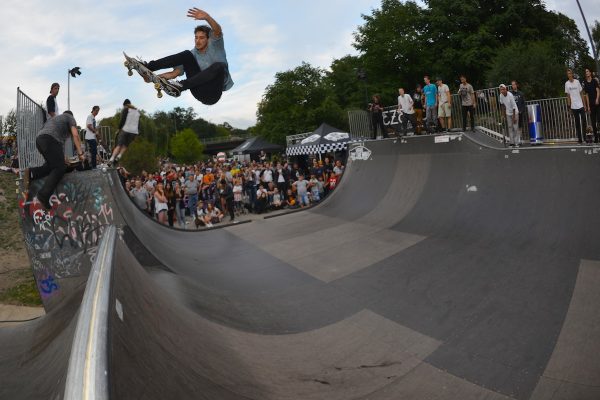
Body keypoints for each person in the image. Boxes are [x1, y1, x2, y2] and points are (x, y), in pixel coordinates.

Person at [143, 8, 234, 105]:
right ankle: (149, 66)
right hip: (198, 91)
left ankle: (181, 85)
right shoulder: (192, 54)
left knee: (219, 66)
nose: (197, 41)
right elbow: (174, 74)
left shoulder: (215, 46)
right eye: (196, 38)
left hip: (212, 94)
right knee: (187, 54)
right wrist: (153, 77)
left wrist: (207, 17)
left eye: (202, 38)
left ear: (208, 39)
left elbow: (217, 31)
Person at [24, 111, 85, 209]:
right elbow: (75, 135)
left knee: (51, 165)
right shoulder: (70, 118)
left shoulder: (55, 121)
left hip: (40, 140)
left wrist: (63, 158)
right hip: (49, 139)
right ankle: (43, 195)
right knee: (60, 168)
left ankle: (32, 173)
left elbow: (59, 146)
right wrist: (80, 153)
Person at [108, 99, 141, 166]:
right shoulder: (137, 112)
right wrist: (137, 132)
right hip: (134, 132)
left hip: (126, 129)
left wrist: (118, 129)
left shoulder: (126, 109)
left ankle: (111, 159)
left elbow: (123, 119)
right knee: (125, 145)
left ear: (125, 105)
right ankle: (119, 156)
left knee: (119, 145)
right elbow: (139, 123)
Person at [565, 68, 586, 144]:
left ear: (572, 74)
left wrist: (584, 104)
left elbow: (581, 93)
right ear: (567, 75)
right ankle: (580, 139)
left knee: (584, 120)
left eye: (570, 73)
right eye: (568, 74)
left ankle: (585, 137)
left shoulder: (577, 82)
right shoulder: (566, 84)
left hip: (580, 105)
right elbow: (568, 96)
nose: (569, 75)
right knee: (577, 123)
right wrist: (569, 106)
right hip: (573, 106)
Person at [583, 68, 600, 143]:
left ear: (590, 72)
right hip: (591, 105)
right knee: (593, 122)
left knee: (599, 120)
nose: (586, 73)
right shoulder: (585, 83)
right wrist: (588, 106)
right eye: (585, 72)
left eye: (587, 71)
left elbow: (598, 91)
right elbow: (586, 95)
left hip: (597, 103)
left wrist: (597, 99)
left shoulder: (594, 81)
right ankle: (596, 138)